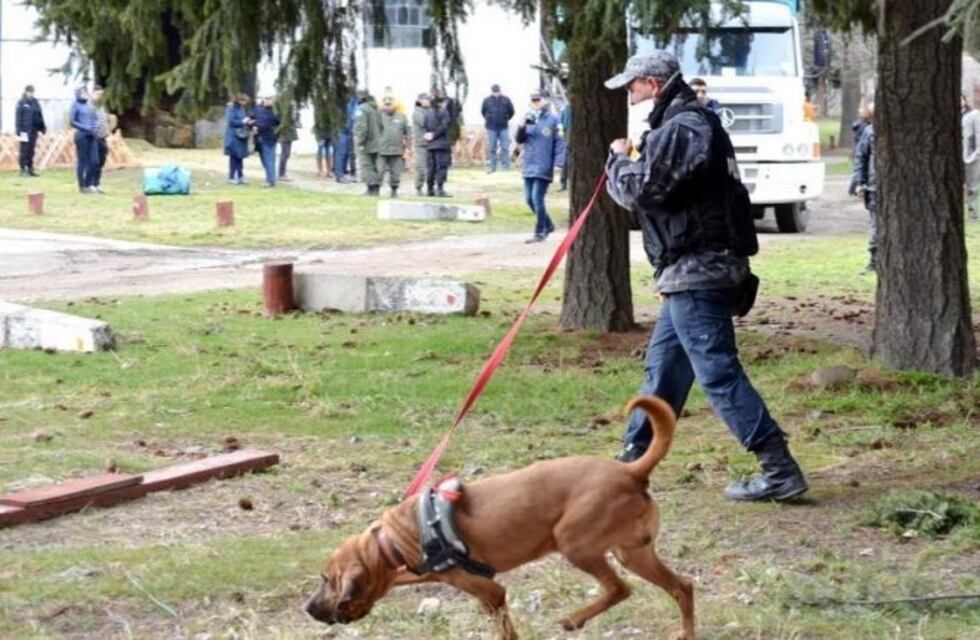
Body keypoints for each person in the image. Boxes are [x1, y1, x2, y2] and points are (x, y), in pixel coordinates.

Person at [604, 51, 807, 503]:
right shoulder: (682, 123)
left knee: (717, 372)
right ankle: (628, 468)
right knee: (664, 372)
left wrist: (617, 161)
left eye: (632, 86)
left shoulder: (682, 126)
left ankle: (779, 468)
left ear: (653, 84)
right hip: (691, 271)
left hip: (698, 270)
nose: (629, 95)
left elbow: (644, 192)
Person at [515, 89, 565, 243]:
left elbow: (560, 143)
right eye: (533, 100)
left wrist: (559, 162)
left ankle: (540, 231)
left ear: (546, 100)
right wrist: (521, 127)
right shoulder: (529, 118)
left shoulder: (554, 120)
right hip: (529, 163)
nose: (535, 103)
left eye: (538, 99)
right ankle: (548, 225)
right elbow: (520, 139)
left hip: (544, 164)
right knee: (529, 199)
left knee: (537, 198)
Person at [851, 103, 877, 273]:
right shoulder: (869, 132)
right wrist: (860, 183)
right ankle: (874, 259)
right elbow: (861, 158)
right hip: (875, 187)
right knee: (876, 224)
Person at [377, 96, 411, 198]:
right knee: (379, 171)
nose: (388, 107)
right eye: (386, 104)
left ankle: (394, 190)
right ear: (383, 104)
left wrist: (408, 148)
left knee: (396, 173)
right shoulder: (377, 116)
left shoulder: (402, 117)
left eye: (390, 104)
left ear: (394, 105)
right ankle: (375, 190)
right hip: (381, 150)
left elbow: (408, 133)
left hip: (397, 150)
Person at [69, 85, 99, 194]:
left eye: (86, 92)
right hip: (81, 135)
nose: (86, 94)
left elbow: (94, 118)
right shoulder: (75, 105)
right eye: (83, 93)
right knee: (83, 161)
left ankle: (87, 184)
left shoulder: (89, 105)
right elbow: (72, 121)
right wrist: (85, 127)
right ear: (78, 94)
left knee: (95, 161)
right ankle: (82, 186)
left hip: (92, 135)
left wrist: (95, 128)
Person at [423, 94, 453, 197]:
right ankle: (440, 189)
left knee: (431, 168)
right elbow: (445, 126)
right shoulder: (444, 112)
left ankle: (429, 189)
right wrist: (435, 135)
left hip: (430, 145)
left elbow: (425, 126)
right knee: (441, 167)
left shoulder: (427, 113)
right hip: (441, 143)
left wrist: (430, 135)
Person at [354, 91, 382, 196]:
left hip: (367, 143)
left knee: (366, 166)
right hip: (378, 142)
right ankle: (376, 189)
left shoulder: (361, 109)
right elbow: (382, 126)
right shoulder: (376, 109)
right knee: (375, 166)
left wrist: (359, 142)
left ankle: (371, 189)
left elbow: (361, 128)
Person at [481, 84, 515, 173]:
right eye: (494, 92)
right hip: (491, 127)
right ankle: (493, 167)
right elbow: (483, 112)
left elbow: (512, 111)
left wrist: (505, 118)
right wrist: (489, 118)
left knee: (505, 148)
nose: (496, 93)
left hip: (503, 127)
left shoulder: (506, 100)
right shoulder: (486, 100)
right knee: (492, 148)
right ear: (491, 91)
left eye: (497, 91)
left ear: (500, 91)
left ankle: (505, 167)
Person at [15, 84, 46, 177]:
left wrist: (42, 127)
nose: (31, 93)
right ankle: (23, 169)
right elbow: (18, 117)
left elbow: (39, 115)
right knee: (24, 150)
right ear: (25, 92)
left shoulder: (35, 102)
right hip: (24, 131)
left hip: (34, 130)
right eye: (29, 91)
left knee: (31, 150)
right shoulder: (21, 102)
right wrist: (18, 130)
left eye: (32, 92)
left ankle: (30, 168)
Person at [252, 95, 280, 187]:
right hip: (259, 138)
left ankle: (271, 181)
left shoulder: (275, 111)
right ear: (265, 99)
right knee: (264, 160)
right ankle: (270, 178)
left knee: (269, 159)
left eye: (273, 101)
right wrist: (253, 126)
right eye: (270, 100)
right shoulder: (257, 109)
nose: (272, 102)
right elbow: (251, 118)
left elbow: (277, 122)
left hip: (270, 138)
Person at [223, 94, 252, 185]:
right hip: (233, 136)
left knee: (240, 158)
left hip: (241, 137)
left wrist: (248, 122)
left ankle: (240, 176)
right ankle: (232, 176)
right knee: (234, 158)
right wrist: (242, 121)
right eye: (243, 101)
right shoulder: (231, 108)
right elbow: (231, 122)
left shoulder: (241, 109)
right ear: (239, 100)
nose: (244, 103)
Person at [89, 86, 113, 194]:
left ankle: (97, 184)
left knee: (101, 162)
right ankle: (90, 184)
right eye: (98, 94)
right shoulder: (89, 106)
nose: (99, 96)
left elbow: (105, 120)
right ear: (93, 93)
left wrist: (109, 134)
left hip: (103, 137)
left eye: (101, 94)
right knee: (94, 162)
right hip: (93, 138)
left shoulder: (102, 106)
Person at [847, 104, 873, 197]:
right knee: (858, 170)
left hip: (859, 148)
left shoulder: (861, 125)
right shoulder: (866, 128)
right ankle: (853, 189)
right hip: (860, 149)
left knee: (858, 169)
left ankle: (853, 188)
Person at [963, 94, 979, 221]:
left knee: (972, 186)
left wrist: (976, 153)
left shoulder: (973, 115)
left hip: (970, 156)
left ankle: (973, 214)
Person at [412, 93, 431, 196]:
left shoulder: (430, 111)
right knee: (420, 168)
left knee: (431, 168)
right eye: (426, 99)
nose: (428, 101)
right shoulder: (417, 112)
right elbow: (425, 122)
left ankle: (431, 187)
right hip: (420, 144)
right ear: (420, 100)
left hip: (432, 143)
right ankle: (418, 187)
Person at [278, 106, 300, 182]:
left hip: (288, 135)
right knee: (285, 154)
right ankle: (281, 174)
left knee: (286, 154)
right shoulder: (284, 112)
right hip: (285, 135)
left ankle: (282, 173)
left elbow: (296, 122)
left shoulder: (291, 111)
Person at [559, 100, 572, 191]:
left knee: (566, 160)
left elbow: (562, 125)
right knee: (566, 160)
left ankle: (564, 183)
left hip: (568, 136)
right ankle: (564, 183)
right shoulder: (567, 109)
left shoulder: (567, 108)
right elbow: (562, 124)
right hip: (569, 136)